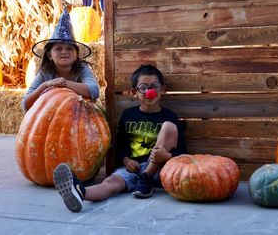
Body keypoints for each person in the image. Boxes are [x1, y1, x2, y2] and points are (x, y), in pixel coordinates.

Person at [53, 64, 187, 212]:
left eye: (154, 86)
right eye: (143, 87)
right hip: (133, 169)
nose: (149, 91)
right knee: (111, 182)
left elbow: (181, 153)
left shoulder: (170, 117)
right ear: (134, 92)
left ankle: (146, 177)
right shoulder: (128, 115)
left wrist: (165, 156)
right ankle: (80, 192)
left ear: (162, 89)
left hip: (158, 170)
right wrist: (126, 161)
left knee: (168, 126)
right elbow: (121, 146)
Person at [21, 8, 99, 112]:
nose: (64, 52)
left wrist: (63, 83)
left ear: (76, 55)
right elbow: (25, 105)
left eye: (69, 48)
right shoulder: (45, 73)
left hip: (79, 116)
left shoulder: (82, 68)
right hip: (52, 115)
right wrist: (46, 85)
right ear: (49, 55)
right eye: (58, 49)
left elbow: (94, 91)